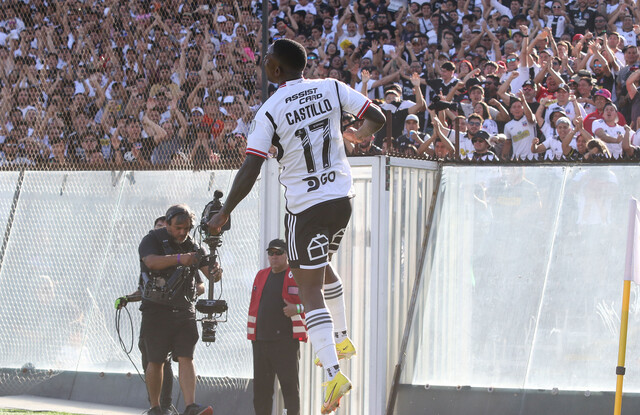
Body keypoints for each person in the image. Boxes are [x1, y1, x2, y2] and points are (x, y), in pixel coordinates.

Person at [207, 38, 386, 414]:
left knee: (307, 290)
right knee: (319, 268)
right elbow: (378, 118)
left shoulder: (269, 111)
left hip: (306, 208)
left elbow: (251, 167)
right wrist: (357, 135)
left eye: (266, 62)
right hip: (342, 199)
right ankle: (340, 338)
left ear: (274, 69)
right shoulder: (331, 87)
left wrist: (225, 212)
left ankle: (334, 373)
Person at [138, 204, 221, 415]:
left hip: (185, 310)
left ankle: (190, 406)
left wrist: (215, 271)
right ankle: (155, 407)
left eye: (186, 228)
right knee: (155, 360)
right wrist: (178, 259)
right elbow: (150, 262)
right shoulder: (152, 239)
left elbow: (209, 273)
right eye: (178, 228)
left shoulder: (193, 245)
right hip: (156, 310)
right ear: (167, 224)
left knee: (186, 356)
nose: (182, 232)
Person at [115, 216, 178, 415]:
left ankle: (165, 405)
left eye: (163, 228)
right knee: (149, 358)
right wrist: (127, 298)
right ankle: (154, 405)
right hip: (149, 316)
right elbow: (142, 290)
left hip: (168, 316)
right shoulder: (148, 259)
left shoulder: (175, 256)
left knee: (162, 360)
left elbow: (198, 286)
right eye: (156, 228)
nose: (159, 232)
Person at [248, 239, 307, 415]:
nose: (274, 257)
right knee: (261, 391)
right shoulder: (261, 275)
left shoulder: (297, 274)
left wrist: (296, 309)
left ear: (287, 255)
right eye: (271, 253)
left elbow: (315, 302)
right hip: (260, 341)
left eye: (278, 253)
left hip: (285, 342)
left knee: (289, 388)